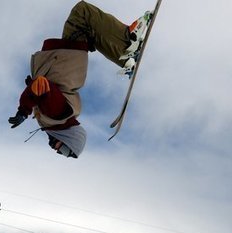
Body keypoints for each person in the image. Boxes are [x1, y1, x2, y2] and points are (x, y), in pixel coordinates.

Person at [8, 1, 152, 159]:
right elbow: (42, 85)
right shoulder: (58, 115)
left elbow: (43, 89)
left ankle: (125, 57)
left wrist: (31, 101)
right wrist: (24, 109)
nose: (56, 150)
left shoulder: (57, 118)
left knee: (89, 28)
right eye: (63, 150)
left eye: (61, 153)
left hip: (67, 60)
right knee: (82, 13)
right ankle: (127, 39)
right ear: (69, 138)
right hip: (67, 57)